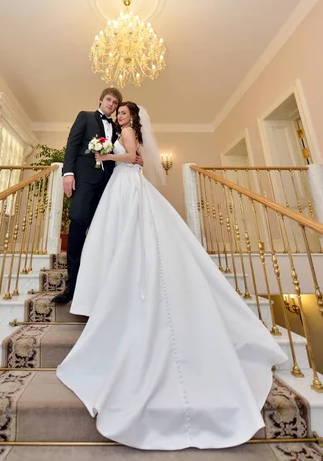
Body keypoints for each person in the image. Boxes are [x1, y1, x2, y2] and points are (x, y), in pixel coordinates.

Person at [56, 101, 287, 451]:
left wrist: (108, 157)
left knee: (136, 233)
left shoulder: (129, 133)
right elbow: (132, 156)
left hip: (128, 185)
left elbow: (133, 156)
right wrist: (111, 155)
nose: (119, 117)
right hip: (120, 186)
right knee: (117, 235)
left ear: (132, 117)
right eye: (116, 113)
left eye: (123, 113)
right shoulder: (119, 132)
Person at [51, 87, 123, 304]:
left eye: (115, 103)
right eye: (109, 100)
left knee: (103, 231)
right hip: (84, 181)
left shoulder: (118, 127)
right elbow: (72, 145)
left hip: (108, 184)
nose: (111, 104)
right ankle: (72, 286)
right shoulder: (85, 117)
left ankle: (98, 285)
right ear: (100, 100)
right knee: (78, 225)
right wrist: (68, 173)